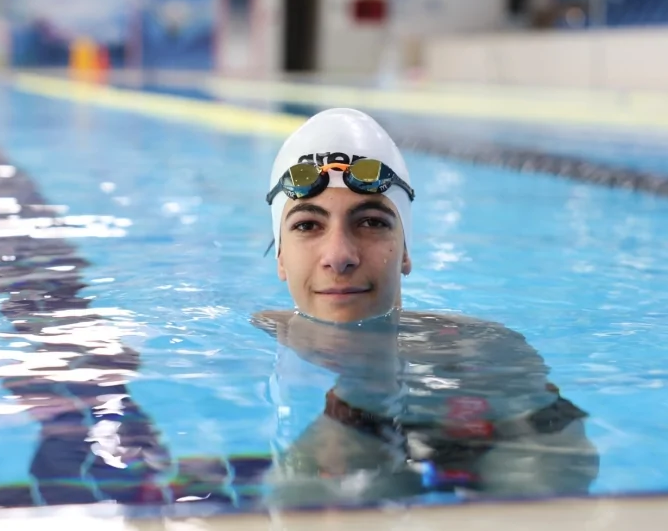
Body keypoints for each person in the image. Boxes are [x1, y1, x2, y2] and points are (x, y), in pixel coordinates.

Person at [251, 108, 599, 506]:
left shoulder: (481, 349)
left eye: (370, 222)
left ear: (405, 251)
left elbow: (557, 481)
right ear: (280, 257)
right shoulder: (261, 333)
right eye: (307, 225)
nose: (339, 255)